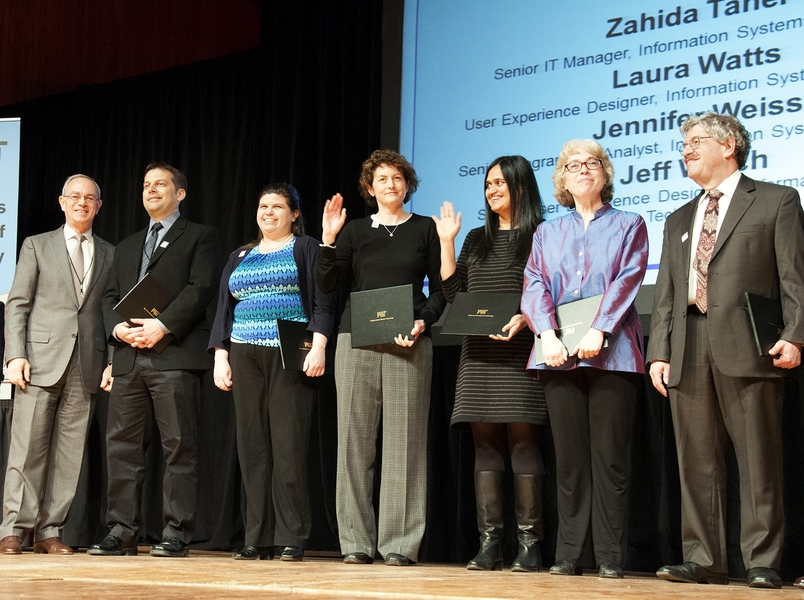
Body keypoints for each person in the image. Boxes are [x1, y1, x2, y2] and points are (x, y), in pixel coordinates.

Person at [647, 112, 804, 589]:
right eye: (684, 144)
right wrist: (659, 350)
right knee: (696, 459)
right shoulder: (678, 217)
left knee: (758, 458)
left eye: (696, 141)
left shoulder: (776, 200)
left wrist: (796, 333)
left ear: (729, 145)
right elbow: (668, 294)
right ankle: (703, 558)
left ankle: (762, 560)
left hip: (749, 344)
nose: (686, 150)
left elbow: (794, 275)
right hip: (687, 343)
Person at [522, 140, 648, 579]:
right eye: (573, 165)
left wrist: (601, 327)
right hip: (557, 354)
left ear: (604, 173)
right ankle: (570, 553)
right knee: (570, 460)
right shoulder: (546, 232)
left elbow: (629, 276)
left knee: (609, 458)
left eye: (592, 163)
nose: (583, 170)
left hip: (614, 353)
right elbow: (535, 282)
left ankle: (611, 555)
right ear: (562, 178)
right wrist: (545, 334)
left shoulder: (630, 223)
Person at [316, 149, 446, 566]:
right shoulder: (354, 231)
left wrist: (423, 322)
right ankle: (355, 543)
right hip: (357, 341)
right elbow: (328, 283)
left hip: (409, 342)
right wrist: (328, 240)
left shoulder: (425, 228)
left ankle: (399, 545)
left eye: (398, 178)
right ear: (369, 189)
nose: (391, 184)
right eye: (382, 179)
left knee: (405, 445)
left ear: (408, 184)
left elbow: (441, 292)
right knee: (353, 445)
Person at [89, 162, 222, 557]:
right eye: (146, 185)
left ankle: (176, 532)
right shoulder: (128, 245)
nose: (151, 190)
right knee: (122, 447)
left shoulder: (200, 236)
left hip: (174, 355)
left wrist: (162, 325)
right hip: (129, 357)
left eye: (161, 184)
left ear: (179, 193)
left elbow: (200, 289)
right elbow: (110, 297)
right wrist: (118, 330)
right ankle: (122, 530)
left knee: (179, 446)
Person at [432, 155, 548, 572]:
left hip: (519, 353)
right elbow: (452, 293)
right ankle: (490, 544)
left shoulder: (542, 235)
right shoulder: (476, 239)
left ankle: (530, 545)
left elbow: (550, 291)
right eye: (487, 184)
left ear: (521, 186)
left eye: (500, 183)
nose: (492, 190)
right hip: (478, 356)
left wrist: (527, 317)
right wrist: (447, 241)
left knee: (523, 444)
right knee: (485, 447)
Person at [209, 183, 336, 562]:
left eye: (277, 207)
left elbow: (325, 299)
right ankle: (256, 536)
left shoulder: (307, 248)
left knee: (288, 445)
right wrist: (220, 354)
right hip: (244, 352)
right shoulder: (240, 255)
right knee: (252, 447)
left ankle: (291, 536)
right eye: (263, 206)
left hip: (290, 350)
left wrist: (319, 345)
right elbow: (223, 308)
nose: (268, 213)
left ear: (294, 214)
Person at [0, 175, 114, 555]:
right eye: (75, 197)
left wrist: (110, 361)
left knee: (69, 454)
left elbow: (111, 313)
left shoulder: (110, 253)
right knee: (27, 449)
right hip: (39, 360)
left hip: (87, 365)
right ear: (62, 202)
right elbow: (18, 303)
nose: (82, 203)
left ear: (99, 206)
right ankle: (14, 528)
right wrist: (15, 355)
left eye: (90, 198)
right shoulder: (37, 245)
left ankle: (49, 531)